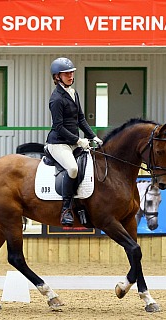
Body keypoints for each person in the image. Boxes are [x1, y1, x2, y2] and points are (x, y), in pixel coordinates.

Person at [46, 57, 103, 226]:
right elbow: (58, 126)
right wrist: (79, 140)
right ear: (57, 77)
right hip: (59, 143)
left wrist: (93, 136)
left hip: (73, 141)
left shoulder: (73, 92)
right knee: (72, 168)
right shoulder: (56, 99)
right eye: (66, 74)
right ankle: (66, 209)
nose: (70, 76)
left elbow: (81, 118)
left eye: (71, 72)